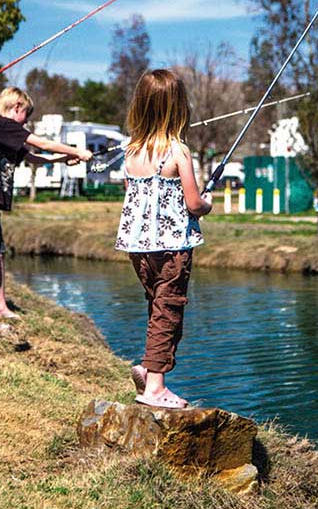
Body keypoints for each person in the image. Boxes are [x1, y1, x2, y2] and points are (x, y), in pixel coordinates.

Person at [116, 69, 212, 409]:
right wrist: (208, 205)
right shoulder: (178, 151)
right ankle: (155, 387)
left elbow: (131, 195)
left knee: (157, 307)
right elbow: (193, 203)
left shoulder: (131, 153)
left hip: (138, 249)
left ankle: (148, 367)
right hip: (172, 248)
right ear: (179, 108)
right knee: (169, 311)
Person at [0, 87, 92, 323]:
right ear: (17, 108)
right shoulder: (3, 125)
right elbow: (42, 143)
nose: (27, 122)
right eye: (26, 115)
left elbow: (34, 157)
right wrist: (76, 150)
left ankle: (0, 306)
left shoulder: (9, 136)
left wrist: (65, 159)